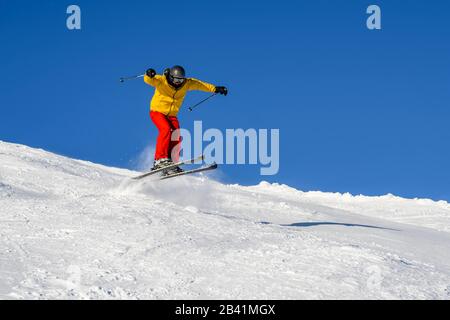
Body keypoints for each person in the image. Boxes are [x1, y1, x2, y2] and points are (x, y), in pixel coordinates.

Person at [143, 65, 228, 174]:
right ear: (170, 76)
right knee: (165, 129)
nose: (178, 82)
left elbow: (200, 85)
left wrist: (215, 88)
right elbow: (148, 79)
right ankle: (160, 160)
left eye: (180, 79)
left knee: (177, 135)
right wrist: (149, 74)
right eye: (176, 79)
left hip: (172, 115)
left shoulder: (186, 83)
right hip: (157, 111)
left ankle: (172, 162)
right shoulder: (162, 80)